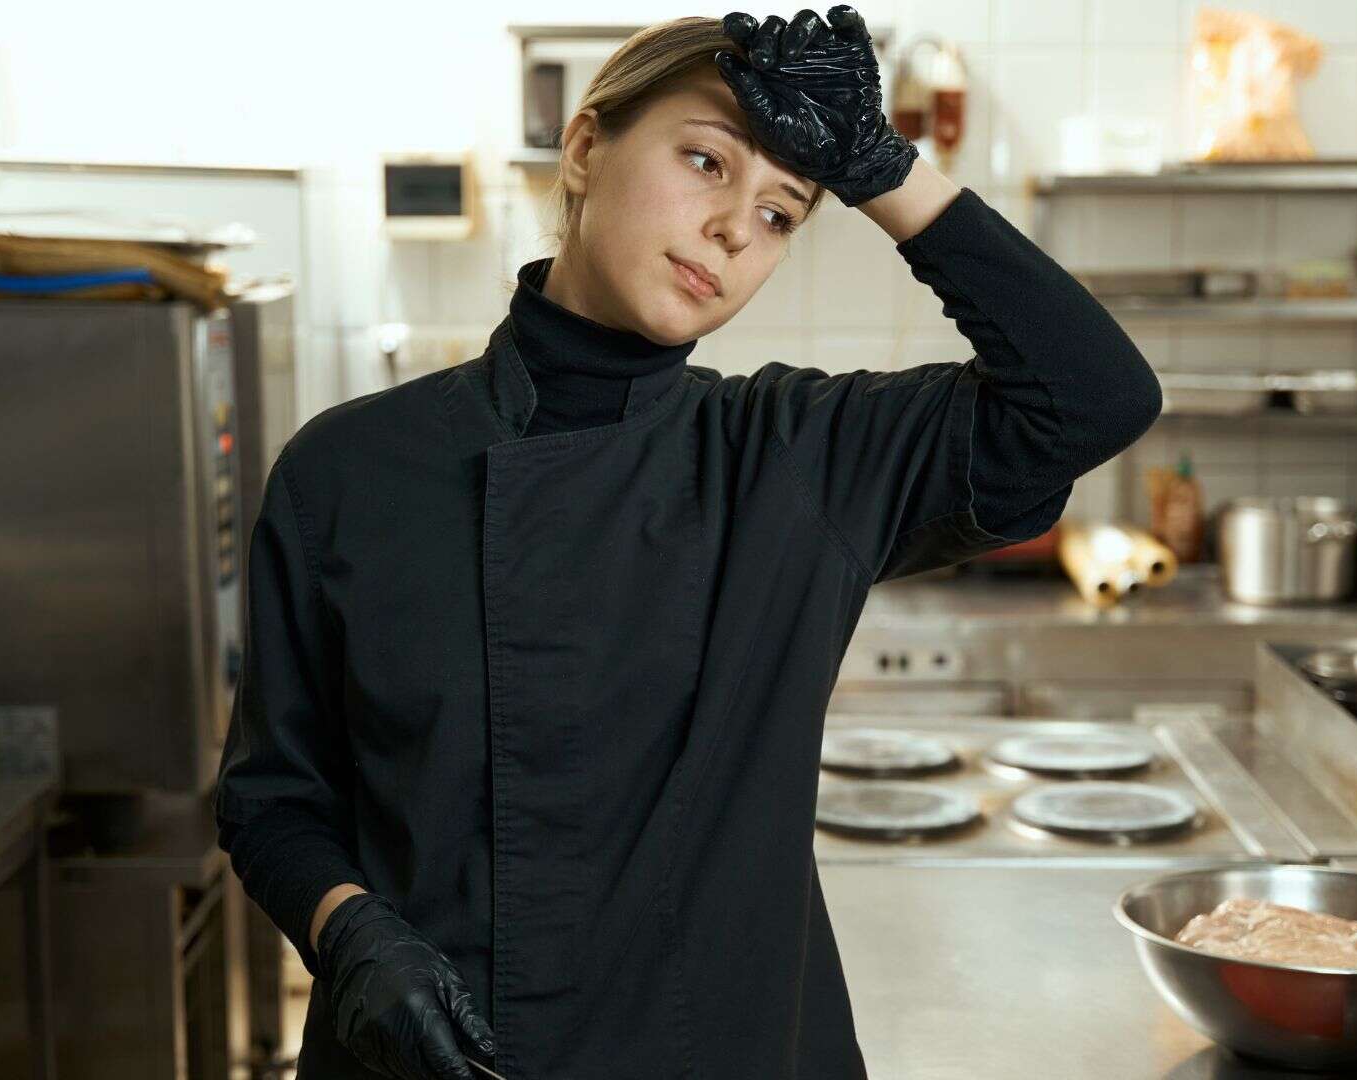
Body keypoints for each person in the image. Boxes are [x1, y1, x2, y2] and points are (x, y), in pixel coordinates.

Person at [213, 7, 1162, 1079]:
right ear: (585, 148)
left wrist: (883, 165)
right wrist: (349, 935)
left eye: (780, 213)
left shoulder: (797, 457)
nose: (732, 229)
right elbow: (274, 800)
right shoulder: (347, 470)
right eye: (704, 161)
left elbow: (1092, 396)